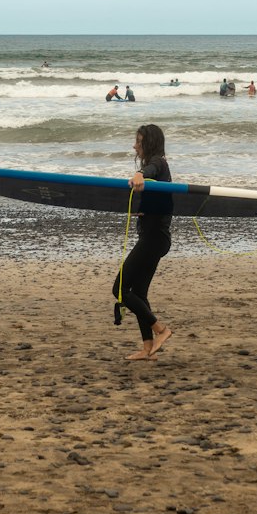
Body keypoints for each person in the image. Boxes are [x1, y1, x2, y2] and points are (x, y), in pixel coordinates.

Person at [113, 124, 174, 361]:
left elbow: (152, 167)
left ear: (148, 143)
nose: (134, 145)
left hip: (154, 239)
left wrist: (139, 174)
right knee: (139, 292)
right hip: (153, 238)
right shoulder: (157, 168)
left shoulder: (159, 163)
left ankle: (161, 330)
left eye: (138, 141)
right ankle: (148, 347)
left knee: (119, 288)